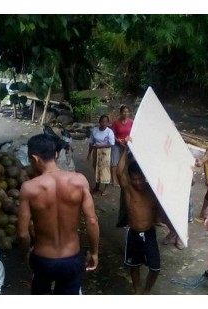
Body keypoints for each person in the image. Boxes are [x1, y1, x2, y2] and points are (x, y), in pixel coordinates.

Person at [17, 134, 99, 295]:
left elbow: (22, 233)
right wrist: (94, 252)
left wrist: (27, 253)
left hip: (43, 259)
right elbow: (92, 220)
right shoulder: (79, 180)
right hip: (72, 257)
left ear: (34, 158)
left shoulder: (29, 188)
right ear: (56, 155)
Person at [116, 141, 162, 294]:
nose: (137, 182)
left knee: (155, 268)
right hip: (133, 234)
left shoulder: (153, 190)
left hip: (149, 234)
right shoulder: (129, 190)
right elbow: (119, 172)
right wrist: (125, 148)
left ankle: (146, 291)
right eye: (134, 179)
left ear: (145, 176)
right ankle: (137, 290)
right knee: (133, 266)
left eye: (140, 178)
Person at [87, 114, 115, 196]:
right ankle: (97, 186)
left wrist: (100, 146)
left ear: (108, 123)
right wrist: (89, 154)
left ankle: (106, 188)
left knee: (105, 170)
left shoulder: (109, 132)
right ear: (99, 122)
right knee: (96, 169)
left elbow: (112, 144)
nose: (104, 123)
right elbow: (91, 143)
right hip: (96, 151)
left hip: (105, 152)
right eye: (102, 121)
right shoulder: (95, 130)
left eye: (106, 121)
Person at [111, 104, 134, 186]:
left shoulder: (132, 122)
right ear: (121, 112)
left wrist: (129, 138)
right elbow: (112, 134)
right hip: (117, 144)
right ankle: (114, 180)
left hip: (127, 145)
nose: (125, 113)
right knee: (114, 162)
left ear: (129, 113)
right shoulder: (116, 122)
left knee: (127, 162)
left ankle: (127, 177)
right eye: (124, 112)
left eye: (127, 112)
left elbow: (134, 133)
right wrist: (118, 140)